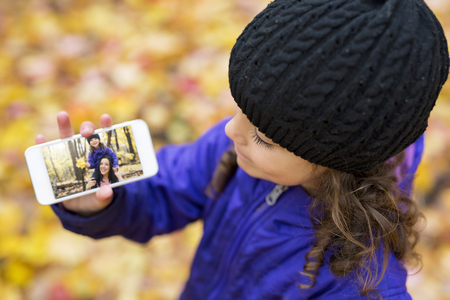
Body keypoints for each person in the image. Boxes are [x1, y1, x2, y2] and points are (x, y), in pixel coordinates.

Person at [35, 0, 449, 298]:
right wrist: (97, 203)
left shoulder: (360, 285)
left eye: (264, 137)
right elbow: (166, 188)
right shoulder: (238, 148)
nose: (231, 130)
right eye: (239, 111)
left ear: (338, 163)